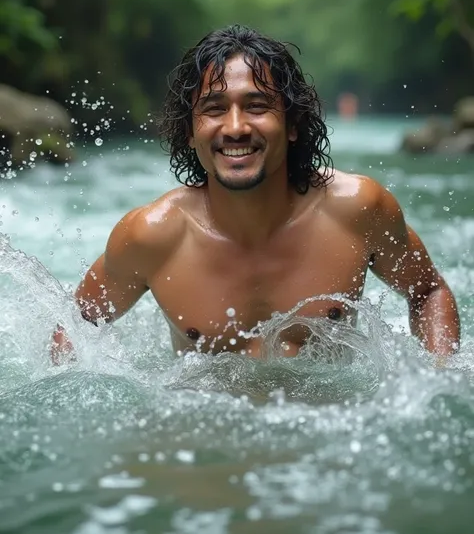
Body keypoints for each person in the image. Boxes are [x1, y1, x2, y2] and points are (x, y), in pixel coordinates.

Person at [51, 25, 460, 363]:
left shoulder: (358, 209)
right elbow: (77, 322)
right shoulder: (152, 236)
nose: (235, 127)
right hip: (202, 442)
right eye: (213, 109)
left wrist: (440, 378)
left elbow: (427, 290)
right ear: (191, 132)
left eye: (257, 105)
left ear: (293, 123)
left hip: (330, 435)